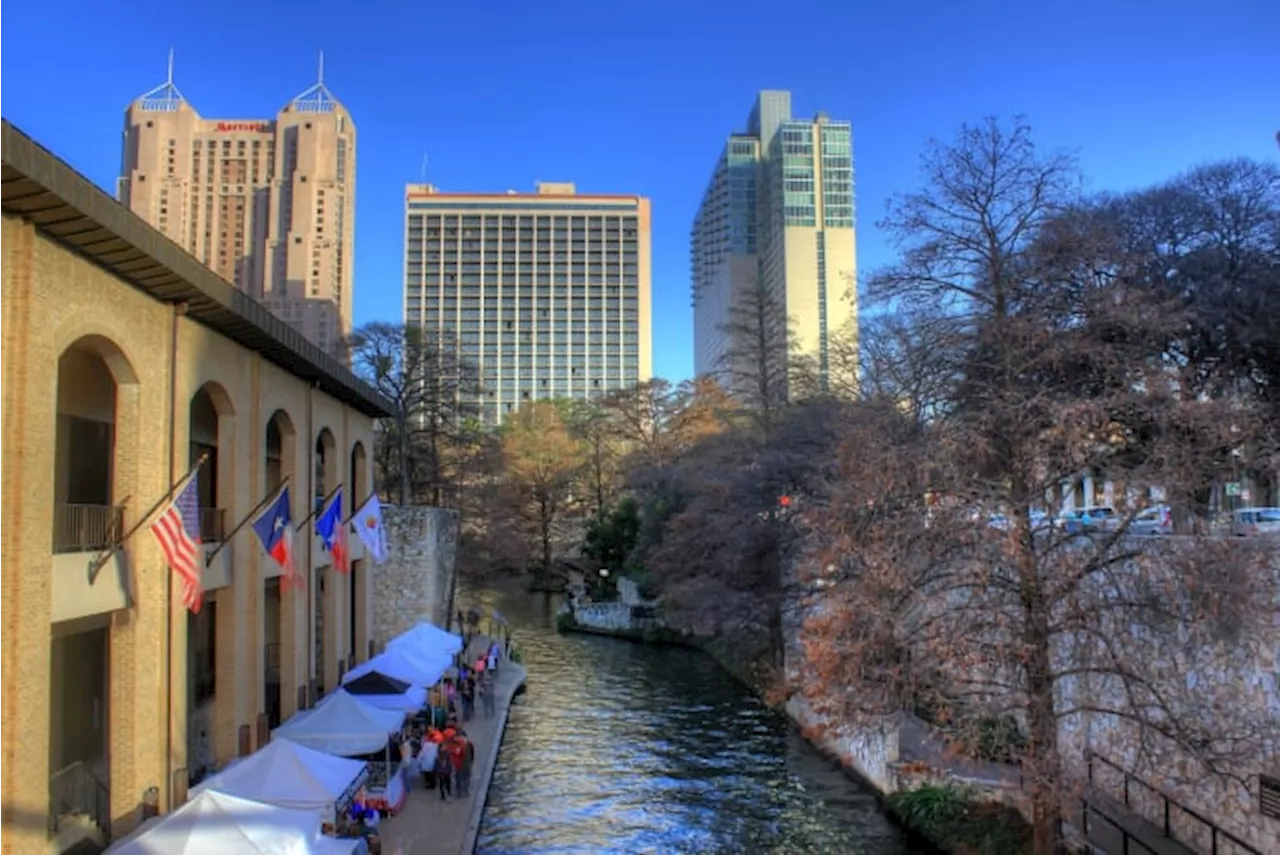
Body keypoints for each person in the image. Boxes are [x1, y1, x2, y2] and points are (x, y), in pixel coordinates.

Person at [450, 733, 471, 798]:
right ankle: (465, 791)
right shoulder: (468, 744)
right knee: (465, 778)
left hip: (459, 765)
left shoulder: (459, 746)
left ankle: (460, 792)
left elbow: (457, 753)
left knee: (460, 778)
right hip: (465, 764)